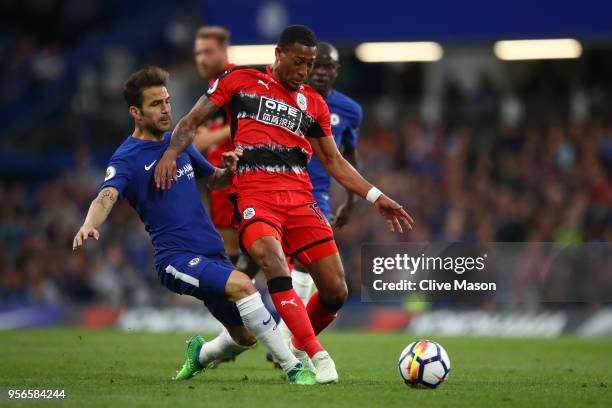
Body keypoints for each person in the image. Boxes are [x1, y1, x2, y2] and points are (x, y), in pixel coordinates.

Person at [154, 25, 414, 384]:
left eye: (309, 63)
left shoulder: (314, 104)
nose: (304, 71)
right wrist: (170, 153)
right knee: (274, 264)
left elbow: (334, 160)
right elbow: (191, 121)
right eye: (298, 62)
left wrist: (375, 196)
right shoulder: (239, 80)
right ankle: (315, 356)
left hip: (300, 201)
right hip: (254, 198)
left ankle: (229, 347)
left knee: (336, 291)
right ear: (278, 55)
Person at [72, 66, 316, 385]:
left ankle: (199, 355)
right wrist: (90, 224)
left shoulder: (179, 144)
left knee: (245, 337)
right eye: (156, 104)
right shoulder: (126, 157)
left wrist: (229, 170)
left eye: (167, 101)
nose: (166, 109)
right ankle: (294, 369)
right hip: (176, 258)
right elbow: (106, 195)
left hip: (212, 253)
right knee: (244, 285)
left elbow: (214, 180)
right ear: (135, 112)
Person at [275, 41, 363, 340]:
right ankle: (235, 336)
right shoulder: (287, 98)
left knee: (306, 259)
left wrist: (351, 200)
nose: (321, 72)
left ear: (337, 71)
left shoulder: (350, 111)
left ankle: (287, 336)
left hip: (318, 196)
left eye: (329, 66)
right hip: (280, 189)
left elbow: (348, 155)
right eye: (317, 65)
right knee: (259, 261)